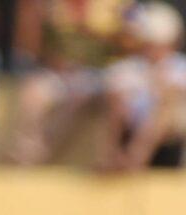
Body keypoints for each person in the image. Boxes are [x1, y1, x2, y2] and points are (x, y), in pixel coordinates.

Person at [10, 0, 133, 164]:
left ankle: (111, 157)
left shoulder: (115, 4)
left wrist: (103, 34)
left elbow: (133, 46)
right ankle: (26, 154)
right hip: (63, 74)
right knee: (34, 94)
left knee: (88, 92)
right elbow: (34, 49)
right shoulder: (52, 6)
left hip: (103, 74)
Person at [101, 1, 186, 170]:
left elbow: (173, 97)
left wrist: (159, 82)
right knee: (116, 103)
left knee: (165, 105)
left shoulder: (180, 67)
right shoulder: (127, 68)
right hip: (135, 125)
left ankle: (134, 160)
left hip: (171, 126)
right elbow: (116, 100)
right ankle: (111, 158)